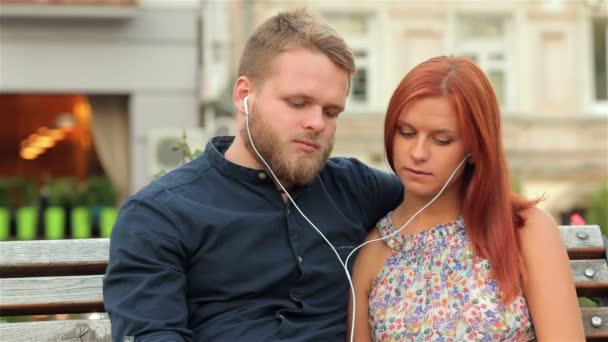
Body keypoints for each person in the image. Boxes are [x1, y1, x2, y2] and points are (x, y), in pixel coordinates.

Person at [103, 9, 403, 342]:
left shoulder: (354, 188)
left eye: (331, 111)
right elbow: (152, 334)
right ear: (244, 96)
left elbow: (454, 190)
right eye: (298, 102)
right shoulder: (161, 215)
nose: (317, 123)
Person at [348, 56, 585, 341]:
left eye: (442, 139)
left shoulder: (526, 229)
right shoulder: (375, 251)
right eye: (406, 133)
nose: (418, 153)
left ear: (475, 148)